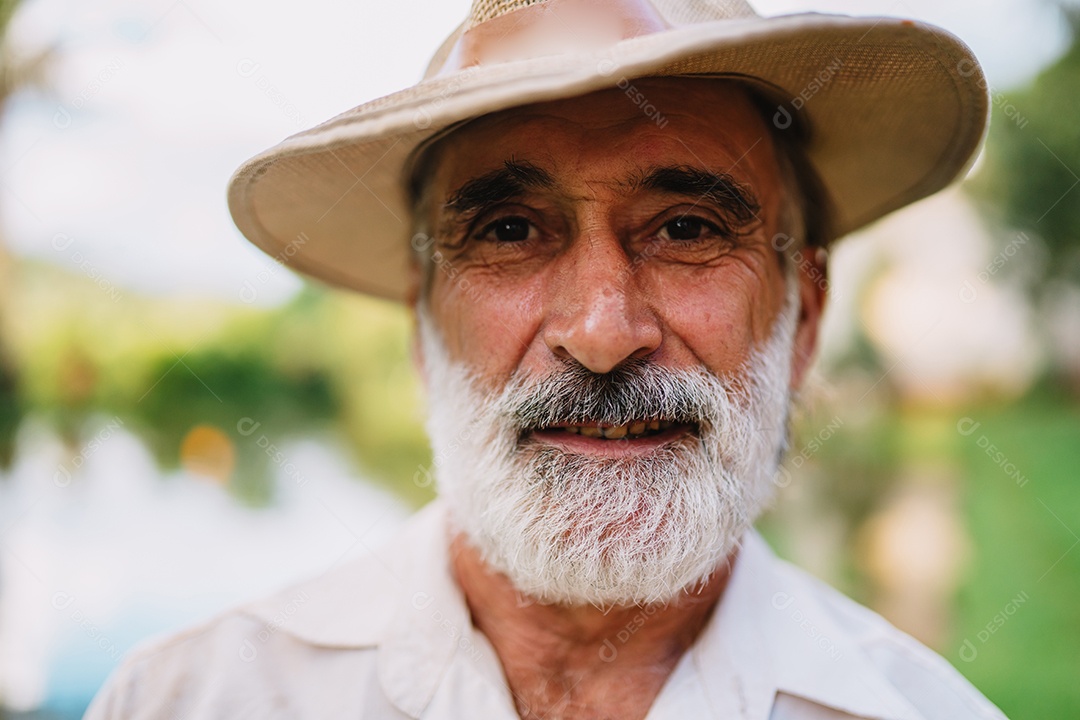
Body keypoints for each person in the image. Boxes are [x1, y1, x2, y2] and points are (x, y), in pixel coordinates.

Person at [86, 0, 1007, 718]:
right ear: (424, 328)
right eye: (511, 230)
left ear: (802, 317)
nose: (603, 333)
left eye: (688, 228)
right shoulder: (192, 701)